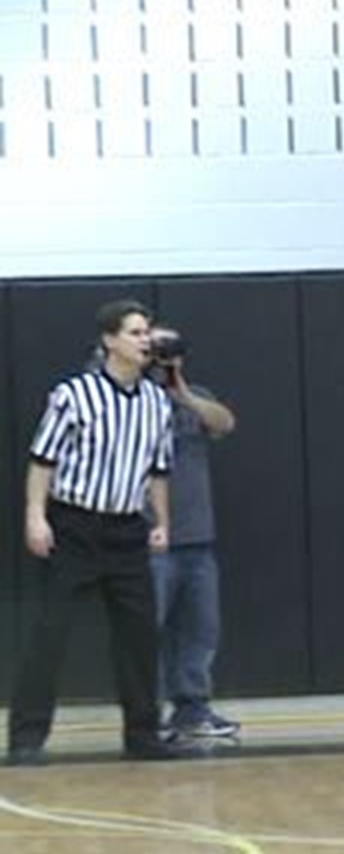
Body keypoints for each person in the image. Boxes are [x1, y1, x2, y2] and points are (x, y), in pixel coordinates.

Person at [6, 300, 179, 766]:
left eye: (147, 333)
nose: (146, 340)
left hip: (126, 531)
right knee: (50, 632)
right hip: (75, 526)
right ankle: (26, 736)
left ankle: (143, 734)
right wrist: (35, 517)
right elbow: (42, 461)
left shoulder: (157, 402)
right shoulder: (73, 395)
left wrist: (162, 522)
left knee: (139, 636)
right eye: (136, 332)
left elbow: (158, 471)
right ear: (109, 340)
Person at [143, 324, 242, 739]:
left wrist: (183, 393)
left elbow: (225, 423)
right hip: (149, 539)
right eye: (158, 348)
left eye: (173, 350)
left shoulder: (195, 394)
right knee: (149, 629)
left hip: (198, 537)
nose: (167, 357)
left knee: (201, 629)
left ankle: (192, 711)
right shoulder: (127, 399)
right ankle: (145, 716)